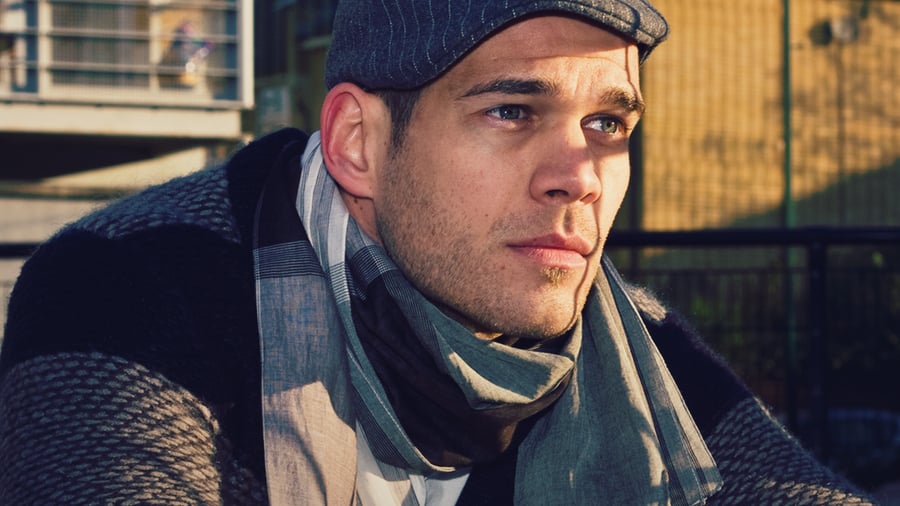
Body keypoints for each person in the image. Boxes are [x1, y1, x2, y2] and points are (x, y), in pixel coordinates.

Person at [0, 1, 875, 504]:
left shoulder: (627, 344)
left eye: (607, 124)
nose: (580, 177)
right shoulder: (127, 286)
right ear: (357, 143)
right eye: (512, 111)